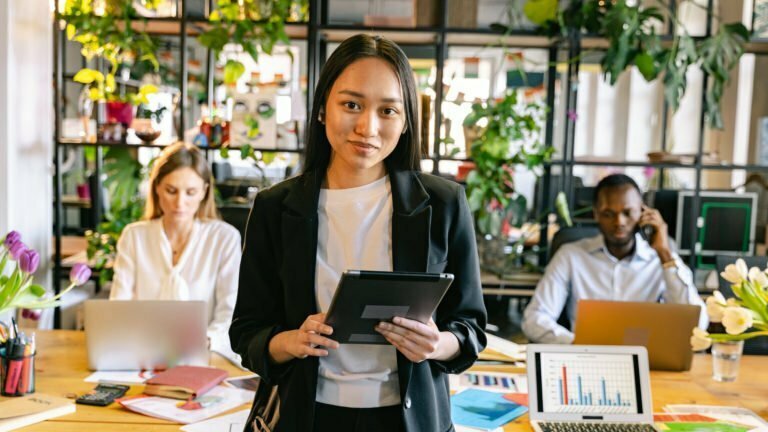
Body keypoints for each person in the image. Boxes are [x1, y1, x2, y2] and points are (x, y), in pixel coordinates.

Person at [230, 34, 487, 432]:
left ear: (405, 124)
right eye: (351, 105)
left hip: (408, 420)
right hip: (307, 416)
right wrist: (291, 342)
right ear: (322, 110)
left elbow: (470, 328)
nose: (367, 126)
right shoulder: (275, 207)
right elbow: (247, 333)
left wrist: (437, 344)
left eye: (388, 110)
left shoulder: (443, 203)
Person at [522, 174, 707, 344]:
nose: (619, 222)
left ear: (642, 212)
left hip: (647, 363)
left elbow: (698, 326)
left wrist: (665, 254)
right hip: (586, 360)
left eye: (628, 212)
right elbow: (534, 319)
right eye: (608, 214)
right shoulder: (571, 256)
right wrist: (577, 343)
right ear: (596, 213)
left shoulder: (660, 260)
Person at [110, 142, 241, 353]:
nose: (180, 203)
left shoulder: (224, 238)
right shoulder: (134, 236)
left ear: (204, 192)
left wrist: (204, 340)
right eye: (171, 191)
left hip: (205, 352)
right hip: (141, 351)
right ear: (157, 188)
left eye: (190, 192)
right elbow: (119, 306)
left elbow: (230, 311)